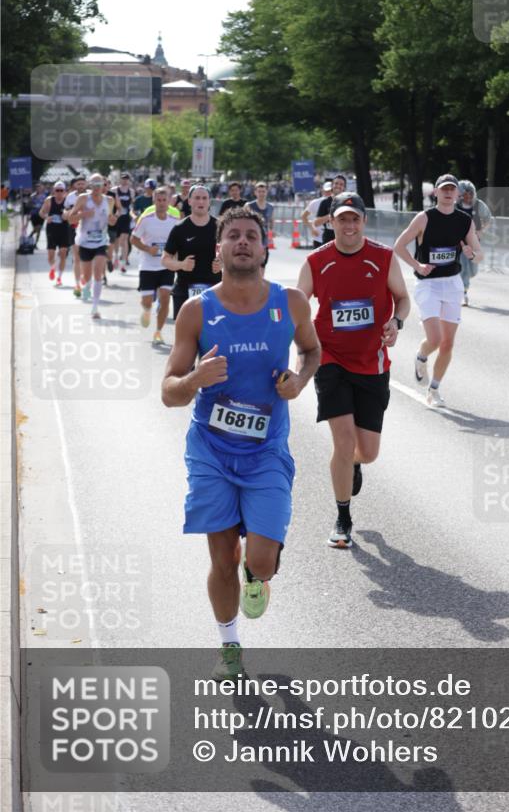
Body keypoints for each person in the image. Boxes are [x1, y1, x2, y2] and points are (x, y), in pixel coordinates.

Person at [161, 207, 320, 680]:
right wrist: (195, 377)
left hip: (266, 450)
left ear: (265, 248)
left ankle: (259, 574)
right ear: (219, 250)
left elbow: (312, 350)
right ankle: (229, 644)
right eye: (234, 236)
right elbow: (169, 391)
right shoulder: (197, 310)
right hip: (211, 451)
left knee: (261, 561)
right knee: (221, 555)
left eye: (252, 235)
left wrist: (300, 379)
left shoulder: (290, 303)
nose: (243, 242)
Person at [297, 192, 410, 549]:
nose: (348, 225)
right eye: (342, 219)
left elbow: (404, 299)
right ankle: (343, 517)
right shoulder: (316, 261)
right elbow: (299, 306)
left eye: (354, 219)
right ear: (330, 223)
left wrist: (396, 320)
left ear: (363, 221)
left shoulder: (383, 258)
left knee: (368, 452)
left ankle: (354, 465)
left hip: (372, 363)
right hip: (330, 359)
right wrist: (302, 348)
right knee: (343, 442)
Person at [394, 173, 482, 408]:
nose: (448, 192)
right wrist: (417, 266)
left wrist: (472, 254)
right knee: (434, 339)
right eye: (444, 188)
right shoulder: (424, 218)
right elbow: (399, 246)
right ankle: (421, 356)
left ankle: (434, 390)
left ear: (457, 193)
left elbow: (479, 252)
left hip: (452, 283)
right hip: (428, 284)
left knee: (448, 343)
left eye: (452, 189)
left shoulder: (464, 221)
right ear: (436, 192)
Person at [162, 185, 222, 320]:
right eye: (197, 198)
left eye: (204, 198)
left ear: (209, 201)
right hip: (184, 291)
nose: (201, 202)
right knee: (184, 338)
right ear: (189, 201)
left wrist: (222, 264)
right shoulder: (180, 228)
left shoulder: (220, 227)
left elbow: (231, 255)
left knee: (211, 336)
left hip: (214, 290)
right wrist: (181, 264)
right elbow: (165, 259)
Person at [131, 186, 181, 344]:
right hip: (148, 266)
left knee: (165, 298)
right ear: (154, 201)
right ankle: (146, 310)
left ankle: (158, 332)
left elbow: (180, 243)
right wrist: (147, 248)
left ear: (169, 202)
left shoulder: (175, 222)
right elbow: (133, 239)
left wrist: (177, 258)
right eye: (158, 200)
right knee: (147, 302)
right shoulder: (146, 220)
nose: (161, 203)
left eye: (164, 200)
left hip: (166, 265)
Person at [67, 174, 119, 319]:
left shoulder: (109, 200)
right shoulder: (83, 198)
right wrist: (83, 214)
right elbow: (71, 218)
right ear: (90, 185)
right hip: (84, 242)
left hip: (101, 241)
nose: (96, 187)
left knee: (98, 273)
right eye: (94, 184)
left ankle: (95, 307)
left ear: (103, 185)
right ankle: (86, 285)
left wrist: (113, 220)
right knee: (87, 275)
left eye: (99, 184)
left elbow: (112, 222)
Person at [456, 179, 491, 306]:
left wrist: (482, 230)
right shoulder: (455, 206)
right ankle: (463, 293)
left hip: (475, 242)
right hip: (459, 242)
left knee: (473, 270)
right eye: (465, 194)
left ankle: (462, 283)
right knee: (463, 267)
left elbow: (488, 219)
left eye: (470, 194)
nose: (468, 197)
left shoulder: (479, 205)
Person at [39, 181, 70, 285]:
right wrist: (47, 217)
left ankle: (59, 277)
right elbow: (41, 212)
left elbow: (72, 213)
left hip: (64, 229)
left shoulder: (67, 201)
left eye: (61, 190)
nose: (59, 192)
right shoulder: (49, 200)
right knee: (50, 256)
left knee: (63, 254)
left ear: (65, 191)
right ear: (54, 191)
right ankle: (53, 267)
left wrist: (66, 215)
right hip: (52, 229)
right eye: (57, 190)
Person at [63, 174, 87, 296]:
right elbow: (65, 210)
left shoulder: (91, 196)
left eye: (83, 183)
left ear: (86, 184)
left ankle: (85, 279)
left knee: (87, 258)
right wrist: (67, 214)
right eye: (78, 183)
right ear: (74, 185)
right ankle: (77, 284)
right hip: (73, 228)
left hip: (88, 230)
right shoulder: (70, 197)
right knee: (77, 258)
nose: (81, 185)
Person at [110, 172, 135, 273]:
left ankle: (123, 263)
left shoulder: (131, 191)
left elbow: (132, 205)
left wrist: (133, 216)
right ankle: (116, 257)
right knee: (116, 239)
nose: (125, 180)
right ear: (120, 179)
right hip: (117, 217)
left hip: (126, 218)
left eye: (126, 179)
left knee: (124, 240)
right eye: (123, 178)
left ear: (129, 180)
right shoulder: (115, 190)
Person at [312, 174, 347, 245]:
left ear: (344, 187)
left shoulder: (348, 202)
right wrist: (330, 215)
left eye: (341, 184)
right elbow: (316, 223)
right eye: (336, 183)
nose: (338, 186)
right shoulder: (325, 202)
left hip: (344, 238)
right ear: (332, 186)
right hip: (328, 239)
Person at [302, 182, 332, 248]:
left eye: (330, 191)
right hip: (318, 237)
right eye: (327, 191)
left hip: (332, 238)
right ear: (323, 191)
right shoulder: (315, 202)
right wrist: (312, 228)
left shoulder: (337, 202)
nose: (328, 193)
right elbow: (304, 216)